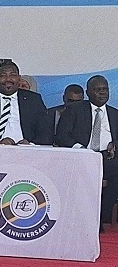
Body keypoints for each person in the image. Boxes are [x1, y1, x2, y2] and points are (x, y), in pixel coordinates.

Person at [55, 76, 118, 231]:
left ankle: (101, 219)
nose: (102, 93)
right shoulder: (74, 110)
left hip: (107, 158)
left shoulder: (115, 114)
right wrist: (81, 150)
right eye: (98, 90)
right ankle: (82, 220)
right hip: (81, 157)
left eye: (105, 89)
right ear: (88, 92)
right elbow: (62, 135)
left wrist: (114, 144)